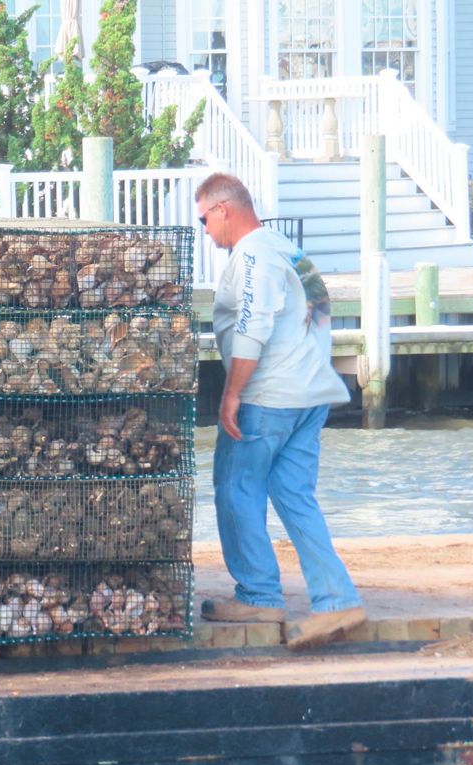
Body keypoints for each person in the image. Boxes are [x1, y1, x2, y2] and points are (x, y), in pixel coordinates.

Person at [195, 172, 367, 650]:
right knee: (294, 494)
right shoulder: (284, 248)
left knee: (236, 488)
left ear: (223, 209)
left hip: (270, 396)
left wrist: (231, 394)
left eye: (204, 219)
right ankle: (337, 600)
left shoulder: (252, 255)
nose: (206, 232)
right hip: (312, 393)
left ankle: (259, 594)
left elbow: (253, 326)